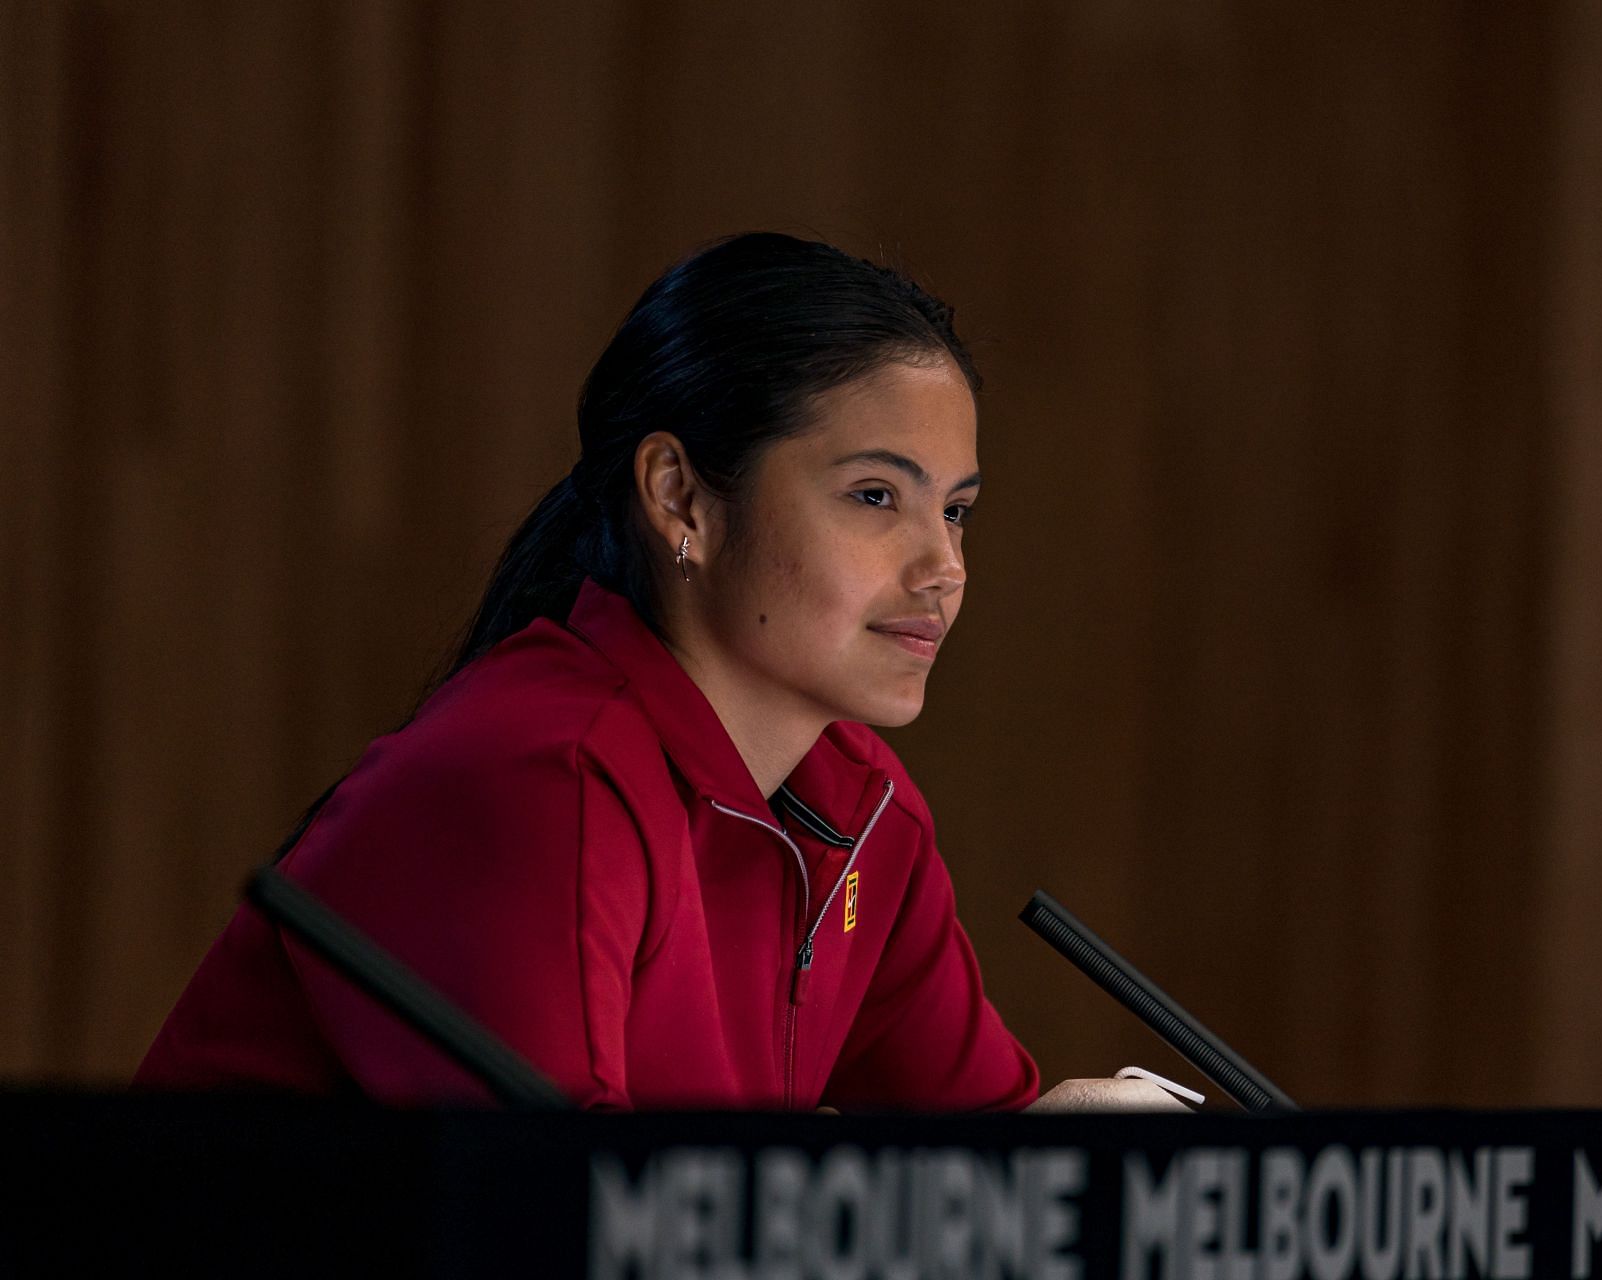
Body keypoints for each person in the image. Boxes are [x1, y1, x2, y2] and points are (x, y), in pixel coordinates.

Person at [136, 233, 1179, 1113]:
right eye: (874, 496)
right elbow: (566, 1230)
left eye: (955, 510)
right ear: (680, 496)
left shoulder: (861, 813)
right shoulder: (543, 773)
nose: (942, 567)